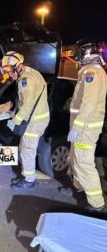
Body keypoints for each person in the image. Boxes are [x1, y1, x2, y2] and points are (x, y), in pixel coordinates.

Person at [60, 39, 107, 213]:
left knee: (85, 164)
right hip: (81, 128)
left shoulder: (93, 73)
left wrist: (77, 127)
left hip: (86, 129)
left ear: (87, 53)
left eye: (80, 52)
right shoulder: (88, 72)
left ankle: (97, 204)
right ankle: (78, 188)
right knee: (75, 160)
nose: (77, 56)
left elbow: (89, 104)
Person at [1, 51, 50, 188]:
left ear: (18, 65)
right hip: (34, 118)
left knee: (27, 150)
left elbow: (27, 105)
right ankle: (26, 175)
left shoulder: (26, 79)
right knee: (24, 147)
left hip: (35, 121)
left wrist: (14, 121)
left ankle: (29, 181)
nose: (9, 74)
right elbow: (25, 101)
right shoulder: (29, 73)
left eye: (10, 70)